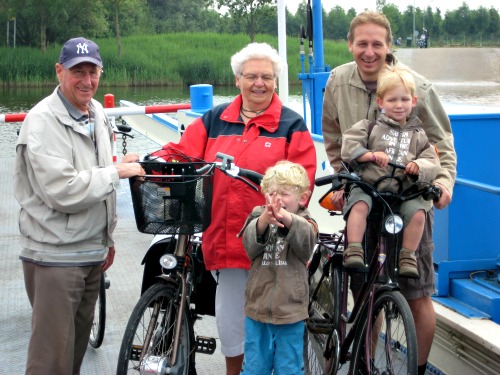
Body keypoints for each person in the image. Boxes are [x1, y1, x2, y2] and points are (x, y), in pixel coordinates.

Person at [150, 42, 317, 374]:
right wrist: (152, 162)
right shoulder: (215, 119)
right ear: (237, 79)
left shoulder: (291, 125)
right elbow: (183, 152)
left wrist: (282, 210)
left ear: (275, 80)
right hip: (226, 240)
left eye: (267, 77)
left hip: (271, 246)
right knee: (232, 327)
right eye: (251, 76)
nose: (259, 83)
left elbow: (303, 182)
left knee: (275, 329)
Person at [321, 11, 456, 375]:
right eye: (361, 44)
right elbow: (333, 138)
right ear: (350, 44)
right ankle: (364, 364)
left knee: (417, 292)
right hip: (365, 192)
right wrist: (342, 178)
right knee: (362, 288)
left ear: (388, 45)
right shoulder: (336, 81)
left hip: (407, 196)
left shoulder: (416, 88)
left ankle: (417, 367)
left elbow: (441, 145)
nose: (369, 52)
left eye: (376, 44)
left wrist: (443, 184)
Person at [13, 37, 144, 374]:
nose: (87, 81)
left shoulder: (96, 112)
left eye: (93, 72)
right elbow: (64, 191)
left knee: (72, 357)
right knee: (49, 361)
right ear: (59, 71)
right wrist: (116, 172)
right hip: (55, 258)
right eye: (78, 72)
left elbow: (95, 170)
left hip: (90, 252)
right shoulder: (42, 121)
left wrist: (107, 240)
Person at [341, 65, 441, 278]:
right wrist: (369, 155)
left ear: (413, 102)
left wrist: (419, 166)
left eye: (404, 100)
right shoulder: (369, 127)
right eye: (392, 100)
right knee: (358, 204)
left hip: (402, 192)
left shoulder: (418, 135)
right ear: (381, 103)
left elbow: (432, 160)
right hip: (369, 187)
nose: (399, 105)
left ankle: (407, 256)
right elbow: (348, 145)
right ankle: (354, 249)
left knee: (418, 212)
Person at [239, 161, 318, 375]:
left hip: (290, 312)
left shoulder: (305, 221)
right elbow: (249, 246)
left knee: (289, 368)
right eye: (272, 193)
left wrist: (286, 219)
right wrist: (263, 221)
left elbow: (307, 244)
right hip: (257, 308)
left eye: (284, 193)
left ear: (302, 198)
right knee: (254, 367)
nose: (277, 199)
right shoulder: (258, 215)